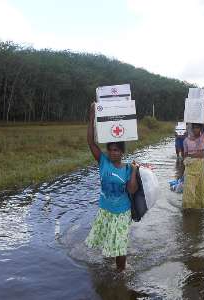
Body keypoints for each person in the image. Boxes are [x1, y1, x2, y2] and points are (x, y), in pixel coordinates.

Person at [85, 102, 139, 272]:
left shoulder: (128, 168)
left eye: (117, 150)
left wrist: (134, 171)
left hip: (122, 211)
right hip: (106, 210)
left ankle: (121, 273)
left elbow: (131, 190)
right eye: (111, 149)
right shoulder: (103, 162)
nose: (114, 152)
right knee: (109, 243)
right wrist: (92, 116)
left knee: (120, 244)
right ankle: (113, 266)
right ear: (107, 151)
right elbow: (91, 142)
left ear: (122, 152)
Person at [182, 120, 204, 209]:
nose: (195, 130)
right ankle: (188, 209)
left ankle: (198, 207)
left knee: (201, 189)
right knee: (189, 189)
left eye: (197, 127)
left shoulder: (203, 137)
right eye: (194, 128)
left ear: (200, 128)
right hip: (190, 168)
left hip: (200, 168)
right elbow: (185, 155)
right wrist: (195, 154)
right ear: (191, 129)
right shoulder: (186, 141)